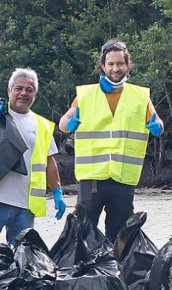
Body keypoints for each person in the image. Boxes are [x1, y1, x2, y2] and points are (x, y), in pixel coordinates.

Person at [58, 40, 163, 241]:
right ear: (102, 66)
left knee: (119, 235)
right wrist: (68, 126)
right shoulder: (87, 94)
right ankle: (83, 270)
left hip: (123, 178)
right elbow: (63, 121)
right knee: (83, 233)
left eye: (120, 64)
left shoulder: (140, 96)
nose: (116, 68)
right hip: (93, 179)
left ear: (127, 65)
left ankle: (118, 270)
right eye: (111, 64)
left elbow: (157, 122)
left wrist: (157, 127)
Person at [0, 68, 66, 252]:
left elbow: (49, 161)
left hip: (25, 206)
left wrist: (57, 190)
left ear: (35, 95)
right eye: (19, 88)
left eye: (29, 90)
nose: (23, 93)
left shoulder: (42, 125)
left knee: (23, 259)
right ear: (9, 91)